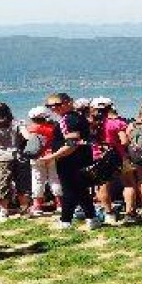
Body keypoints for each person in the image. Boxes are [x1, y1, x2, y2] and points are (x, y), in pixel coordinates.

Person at [38, 93, 99, 230]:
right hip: (82, 157)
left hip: (70, 161)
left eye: (58, 104)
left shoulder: (68, 120)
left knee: (69, 190)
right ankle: (92, 218)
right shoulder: (78, 116)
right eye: (50, 106)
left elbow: (72, 143)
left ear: (69, 102)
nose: (54, 108)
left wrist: (52, 156)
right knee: (81, 190)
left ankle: (66, 221)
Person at [0, 102, 32, 221]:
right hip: (20, 156)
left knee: (3, 184)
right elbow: (28, 137)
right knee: (23, 183)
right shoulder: (19, 124)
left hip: (1, 158)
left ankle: (3, 212)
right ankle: (24, 210)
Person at [89, 98, 133, 223]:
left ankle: (109, 214)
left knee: (103, 186)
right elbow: (124, 141)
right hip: (119, 155)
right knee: (128, 184)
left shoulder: (91, 125)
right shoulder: (116, 123)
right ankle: (130, 213)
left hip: (99, 156)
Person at [26, 106, 62, 216]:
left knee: (37, 180)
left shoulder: (32, 128)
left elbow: (27, 138)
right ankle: (60, 204)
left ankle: (37, 206)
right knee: (55, 179)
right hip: (52, 155)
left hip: (37, 157)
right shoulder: (53, 127)